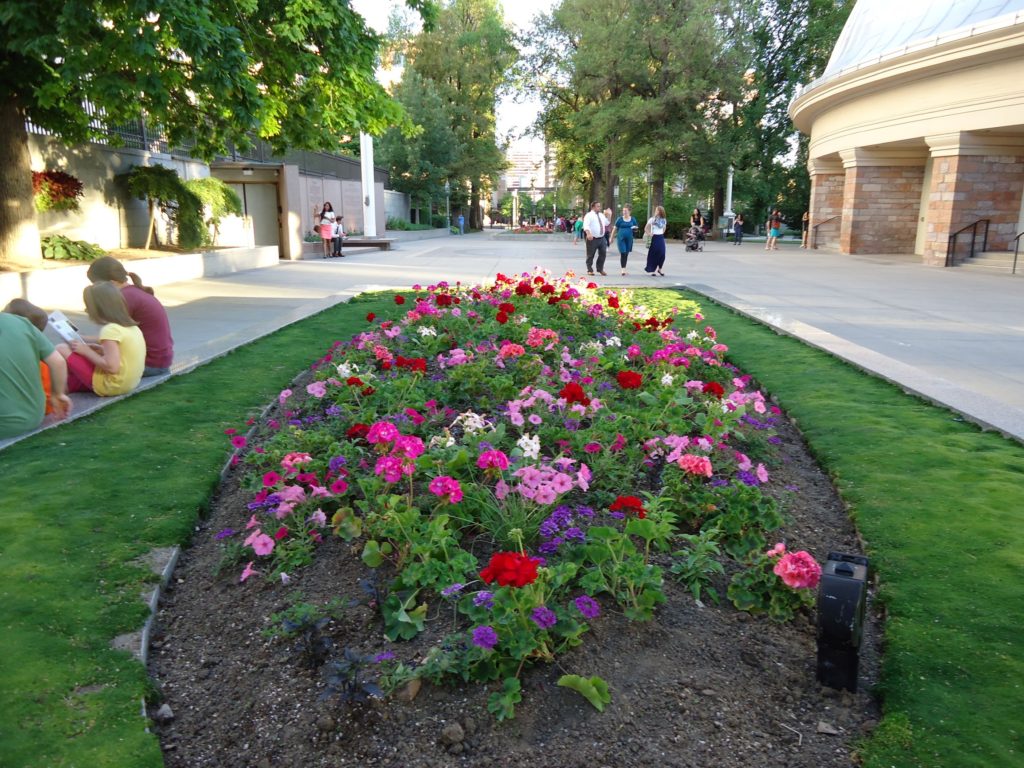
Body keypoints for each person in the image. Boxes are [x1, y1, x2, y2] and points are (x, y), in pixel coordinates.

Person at [86, 256, 173, 377]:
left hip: (150, 364)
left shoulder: (124, 298)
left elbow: (112, 338)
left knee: (82, 362)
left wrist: (82, 340)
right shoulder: (134, 291)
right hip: (160, 361)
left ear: (111, 283)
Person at [57, 281, 146, 396]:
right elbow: (124, 355)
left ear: (97, 308)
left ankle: (58, 393)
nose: (86, 310)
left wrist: (86, 351)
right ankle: (68, 386)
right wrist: (101, 350)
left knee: (61, 348)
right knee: (74, 377)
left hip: (111, 385)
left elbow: (111, 367)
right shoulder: (132, 327)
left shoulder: (110, 330)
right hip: (129, 384)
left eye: (88, 306)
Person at [0, 307, 72, 438]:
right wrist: (58, 394)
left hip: (4, 425)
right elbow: (58, 361)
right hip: (34, 417)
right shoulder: (20, 322)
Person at [582, 201, 609, 276]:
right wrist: (588, 233)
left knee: (603, 253)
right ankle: (589, 269)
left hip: (602, 238)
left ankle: (600, 269)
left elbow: (607, 223)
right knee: (590, 254)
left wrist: (609, 215)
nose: (599, 207)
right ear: (593, 207)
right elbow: (586, 225)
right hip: (592, 238)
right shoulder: (589, 215)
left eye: (599, 206)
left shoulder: (601, 215)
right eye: (598, 206)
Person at [612, 205, 638, 275]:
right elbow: (615, 228)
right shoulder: (619, 219)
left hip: (629, 239)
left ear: (629, 211)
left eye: (625, 211)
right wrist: (611, 238)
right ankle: (623, 270)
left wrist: (635, 229)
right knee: (623, 253)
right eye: (623, 211)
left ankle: (624, 268)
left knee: (626, 253)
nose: (624, 212)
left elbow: (636, 228)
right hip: (621, 239)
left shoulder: (633, 219)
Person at [644, 205, 668, 277]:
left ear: (661, 212)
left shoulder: (664, 220)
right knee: (653, 254)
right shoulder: (652, 219)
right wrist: (649, 233)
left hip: (660, 237)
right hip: (654, 237)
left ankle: (660, 269)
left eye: (658, 210)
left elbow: (664, 228)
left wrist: (661, 233)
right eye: (656, 210)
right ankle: (652, 270)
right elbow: (646, 228)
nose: (656, 211)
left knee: (662, 253)